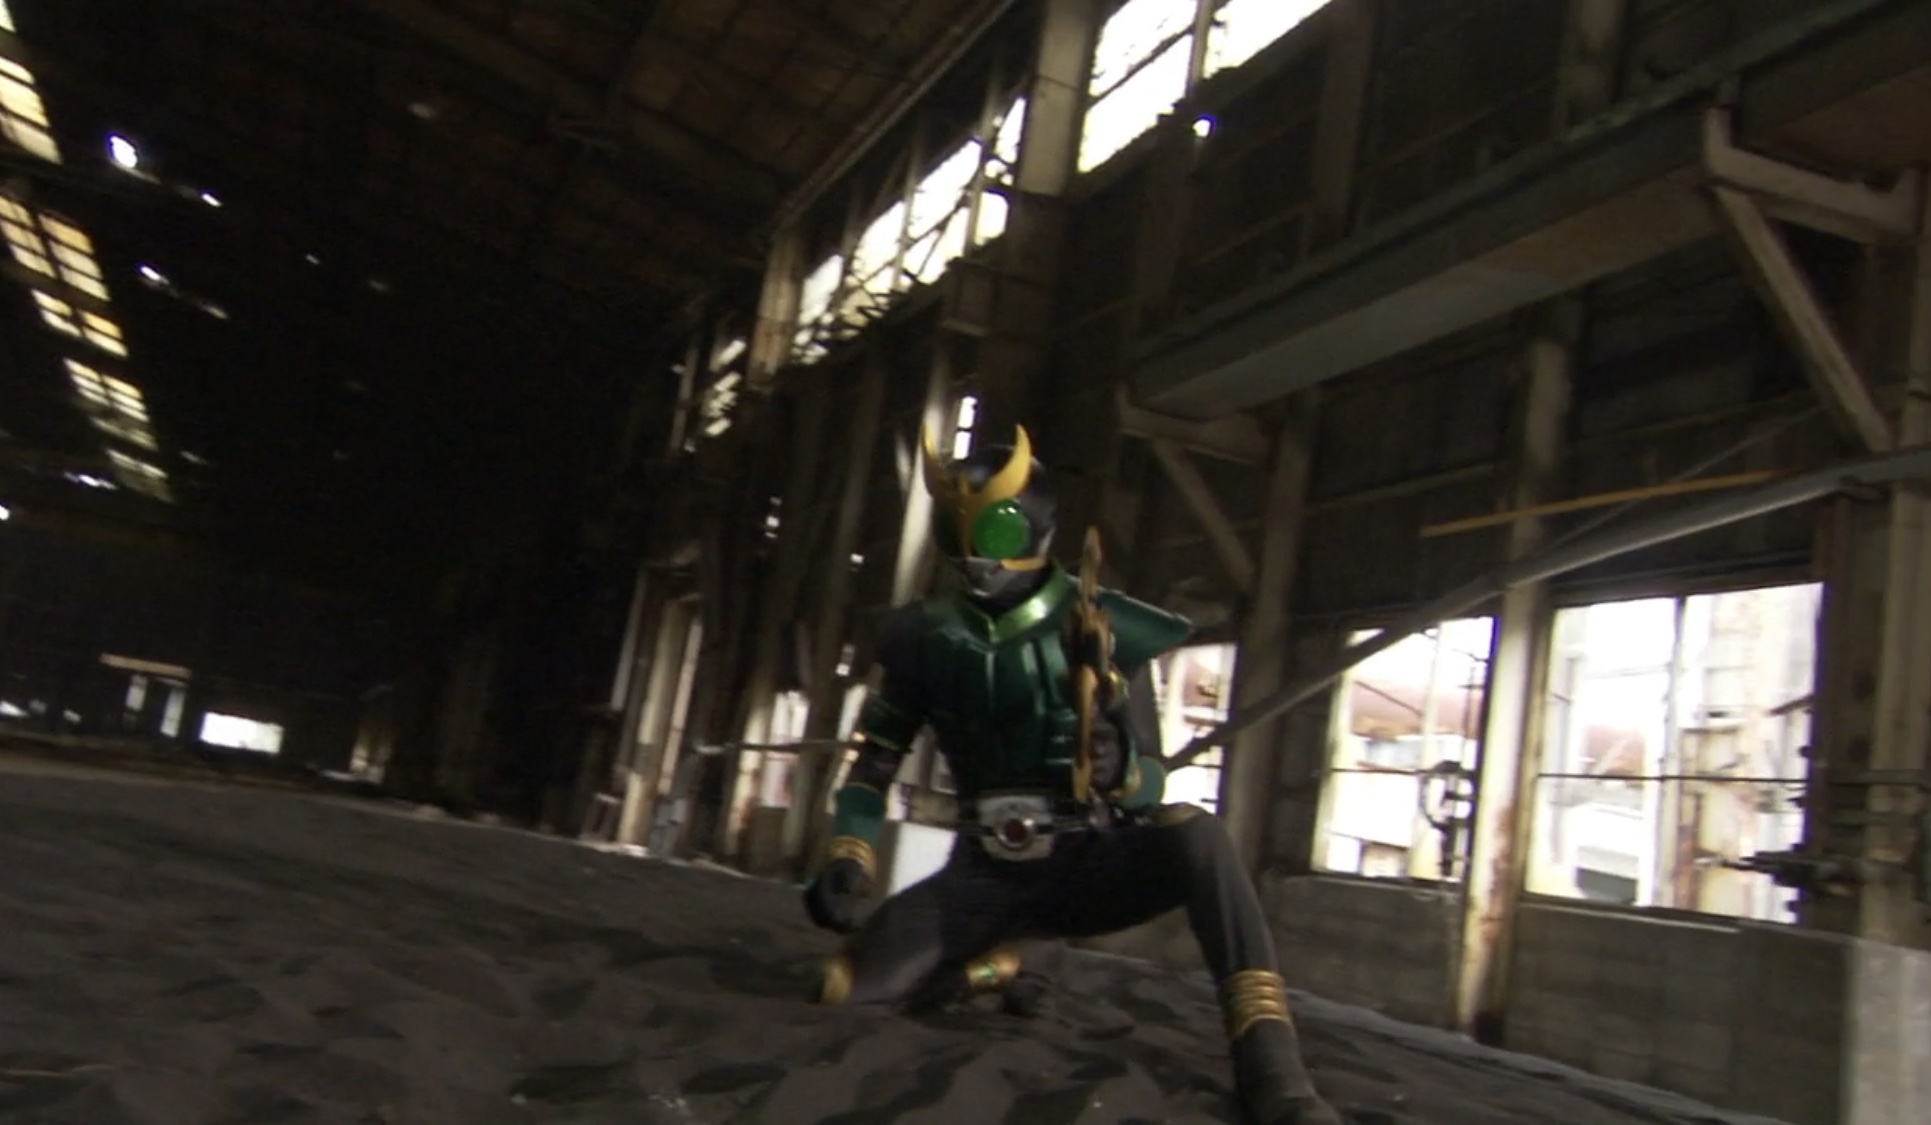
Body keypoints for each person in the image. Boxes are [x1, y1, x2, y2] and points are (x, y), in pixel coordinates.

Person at [801, 425, 1340, 1125]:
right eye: (957, 531)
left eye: (994, 529)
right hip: (981, 877)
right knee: (841, 988)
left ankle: (1275, 1072)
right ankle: (1001, 965)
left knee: (1196, 835)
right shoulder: (922, 639)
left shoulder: (1101, 628)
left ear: (1036, 527)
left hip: (1088, 862)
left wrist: (1124, 774)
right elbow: (875, 759)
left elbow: (1153, 781)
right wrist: (850, 852)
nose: (975, 555)